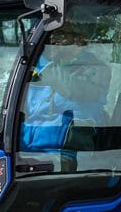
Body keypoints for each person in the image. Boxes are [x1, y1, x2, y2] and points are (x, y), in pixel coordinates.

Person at [20, 21, 110, 162]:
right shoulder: (45, 68)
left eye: (60, 34)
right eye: (52, 35)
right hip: (30, 149)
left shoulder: (95, 69)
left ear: (80, 39)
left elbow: (71, 89)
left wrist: (36, 60)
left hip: (70, 154)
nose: (53, 39)